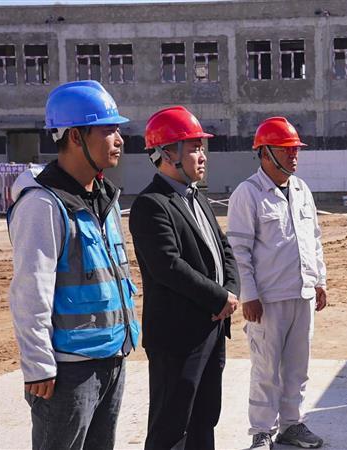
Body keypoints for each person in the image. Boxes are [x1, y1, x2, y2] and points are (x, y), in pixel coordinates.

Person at [7, 80, 140, 450]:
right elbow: (30, 290)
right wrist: (38, 365)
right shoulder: (43, 204)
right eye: (108, 130)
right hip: (68, 371)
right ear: (76, 136)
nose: (119, 139)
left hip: (111, 355)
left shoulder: (105, 199)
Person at [129, 106, 240, 450]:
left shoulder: (197, 198)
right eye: (194, 148)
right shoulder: (151, 205)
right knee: (171, 427)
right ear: (167, 154)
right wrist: (218, 298)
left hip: (211, 329)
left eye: (201, 147)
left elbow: (224, 249)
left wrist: (230, 290)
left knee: (205, 419)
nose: (202, 156)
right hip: (177, 338)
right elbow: (169, 266)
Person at [227, 117, 328, 450]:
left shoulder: (301, 190)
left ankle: (291, 424)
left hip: (302, 295)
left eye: (295, 149)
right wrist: (248, 295)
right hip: (267, 300)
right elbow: (239, 251)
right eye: (286, 150)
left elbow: (314, 239)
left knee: (298, 368)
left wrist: (319, 280)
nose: (294, 155)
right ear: (265, 153)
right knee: (266, 370)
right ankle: (261, 431)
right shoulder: (248, 193)